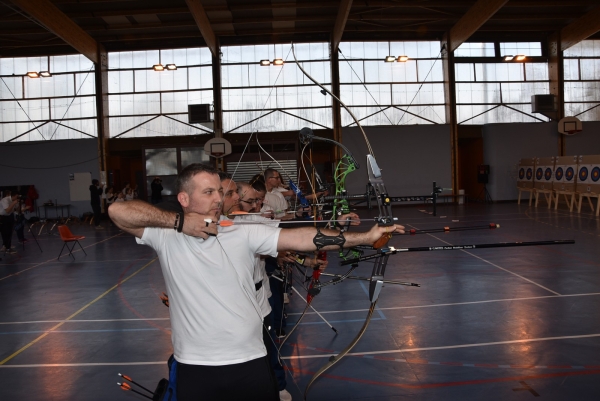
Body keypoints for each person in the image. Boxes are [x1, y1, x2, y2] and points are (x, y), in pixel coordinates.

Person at [108, 163, 404, 401]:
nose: (217, 199)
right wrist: (180, 223)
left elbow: (301, 237)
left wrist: (364, 237)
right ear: (184, 199)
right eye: (208, 192)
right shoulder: (166, 235)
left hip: (250, 360)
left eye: (218, 192)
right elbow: (116, 211)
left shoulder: (242, 231)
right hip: (195, 365)